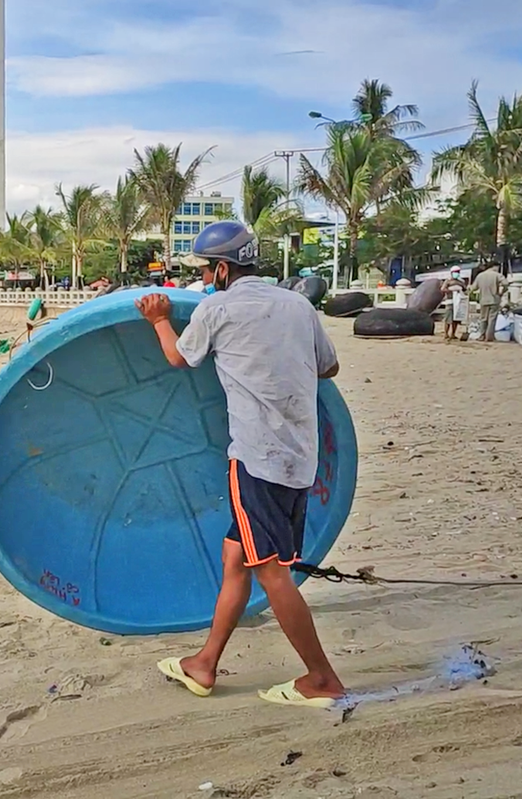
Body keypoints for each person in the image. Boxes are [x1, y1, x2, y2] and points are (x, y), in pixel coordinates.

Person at [134, 220, 345, 709]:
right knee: (237, 557)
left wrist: (160, 319)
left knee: (271, 571)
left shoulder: (217, 307)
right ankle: (205, 663)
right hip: (299, 457)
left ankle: (321, 678)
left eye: (207, 271)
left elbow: (180, 359)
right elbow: (328, 366)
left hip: (255, 459)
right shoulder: (298, 304)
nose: (205, 280)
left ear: (224, 268)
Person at [471, 263, 506, 342]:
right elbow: (505, 283)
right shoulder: (497, 275)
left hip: (483, 300)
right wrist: (503, 291)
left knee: (483, 318)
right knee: (492, 319)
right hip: (494, 299)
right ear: (494, 267)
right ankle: (489, 336)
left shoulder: (480, 276)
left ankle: (482, 335)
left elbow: (473, 288)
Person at [441, 267, 468, 340]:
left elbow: (465, 290)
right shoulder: (448, 281)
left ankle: (453, 334)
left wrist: (461, 291)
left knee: (456, 319)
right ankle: (446, 334)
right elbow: (443, 289)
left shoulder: (461, 281)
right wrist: (451, 290)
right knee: (448, 319)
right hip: (450, 301)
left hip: (458, 302)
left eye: (457, 272)